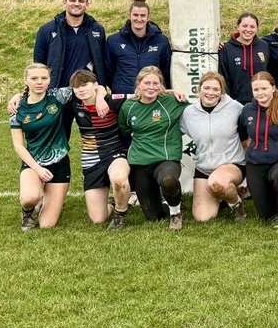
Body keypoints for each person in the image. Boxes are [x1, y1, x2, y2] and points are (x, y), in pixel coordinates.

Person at [118, 65, 191, 230]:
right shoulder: (128, 107)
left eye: (155, 83)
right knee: (154, 218)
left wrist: (174, 93)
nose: (151, 87)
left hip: (166, 159)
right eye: (147, 83)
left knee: (168, 180)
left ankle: (175, 212)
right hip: (140, 162)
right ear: (138, 84)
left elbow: (198, 110)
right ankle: (170, 201)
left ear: (161, 85)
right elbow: (124, 129)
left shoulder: (172, 101)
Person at [10, 63, 76, 231]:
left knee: (47, 225)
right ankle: (28, 211)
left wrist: (99, 95)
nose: (39, 82)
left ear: (49, 81)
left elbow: (88, 86)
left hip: (59, 164)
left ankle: (47, 200)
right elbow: (18, 145)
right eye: (34, 78)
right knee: (29, 197)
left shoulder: (58, 96)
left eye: (44, 78)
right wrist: (38, 169)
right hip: (33, 164)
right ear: (26, 80)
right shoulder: (17, 108)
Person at [33, 0, 108, 133]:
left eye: (81, 1)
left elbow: (103, 62)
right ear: (65, 2)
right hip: (58, 92)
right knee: (57, 136)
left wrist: (102, 89)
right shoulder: (47, 30)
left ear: (87, 4)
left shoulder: (97, 29)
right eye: (72, 0)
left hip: (87, 92)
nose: (76, 3)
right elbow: (38, 63)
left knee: (95, 136)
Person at [180, 71, 247, 224]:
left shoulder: (235, 108)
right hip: (204, 168)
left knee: (217, 183)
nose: (211, 93)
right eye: (207, 88)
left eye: (216, 89)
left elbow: (247, 135)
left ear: (222, 92)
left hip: (231, 164)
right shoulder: (188, 113)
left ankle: (235, 203)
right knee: (203, 217)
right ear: (199, 89)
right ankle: (221, 197)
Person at [68, 70, 131, 228]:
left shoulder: (112, 100)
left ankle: (120, 213)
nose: (81, 90)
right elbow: (42, 94)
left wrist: (171, 91)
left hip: (115, 153)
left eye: (85, 85)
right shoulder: (73, 102)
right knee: (98, 219)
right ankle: (111, 203)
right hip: (91, 158)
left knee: (118, 178)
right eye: (77, 87)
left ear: (96, 85)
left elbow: (141, 95)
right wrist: (19, 96)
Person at [239, 72, 278, 229]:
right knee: (265, 215)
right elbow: (243, 135)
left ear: (273, 88)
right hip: (256, 163)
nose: (260, 93)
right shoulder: (247, 110)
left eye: (264, 88)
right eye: (256, 89)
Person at [106, 0, 172, 96]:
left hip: (153, 97)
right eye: (135, 15)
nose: (139, 19)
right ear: (129, 16)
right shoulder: (113, 40)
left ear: (148, 17)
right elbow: (108, 71)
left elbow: (167, 71)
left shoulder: (161, 41)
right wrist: (119, 87)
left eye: (143, 15)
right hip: (124, 97)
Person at [219, 12, 272, 103]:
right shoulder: (226, 49)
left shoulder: (264, 46)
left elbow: (270, 71)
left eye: (252, 27)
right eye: (244, 26)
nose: (248, 29)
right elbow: (224, 78)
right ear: (238, 26)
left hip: (262, 100)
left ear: (257, 28)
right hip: (235, 102)